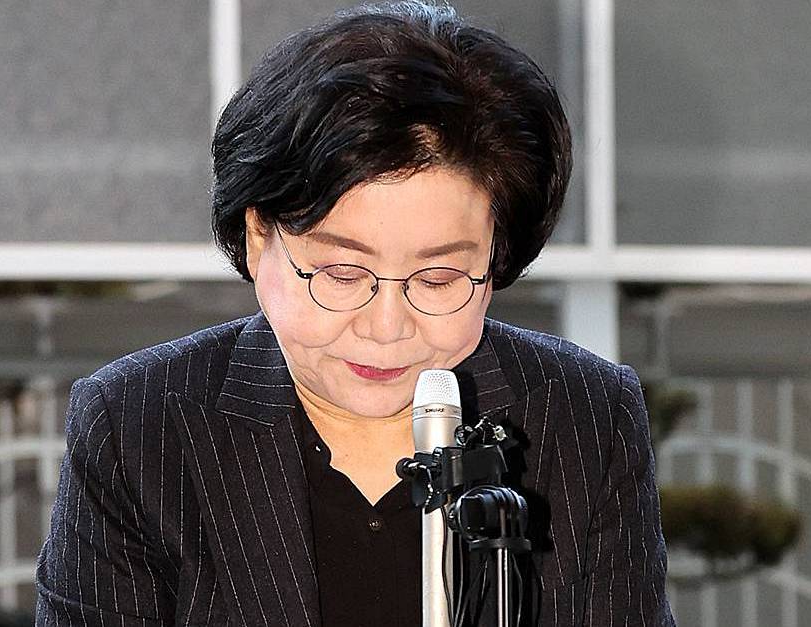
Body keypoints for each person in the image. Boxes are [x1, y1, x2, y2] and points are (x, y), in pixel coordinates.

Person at [35, 2, 673, 625]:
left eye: (440, 278)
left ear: (496, 258)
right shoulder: (139, 426)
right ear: (258, 237)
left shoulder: (585, 416)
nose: (386, 326)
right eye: (342, 274)